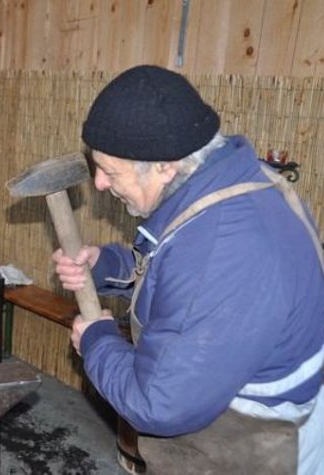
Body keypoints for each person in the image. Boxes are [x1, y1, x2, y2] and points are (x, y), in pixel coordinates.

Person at [53, 65, 324, 474]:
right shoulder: (230, 185)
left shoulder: (226, 249)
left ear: (165, 166)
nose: (100, 184)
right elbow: (176, 265)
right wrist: (106, 265)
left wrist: (97, 341)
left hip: (256, 443)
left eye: (111, 171)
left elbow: (157, 402)